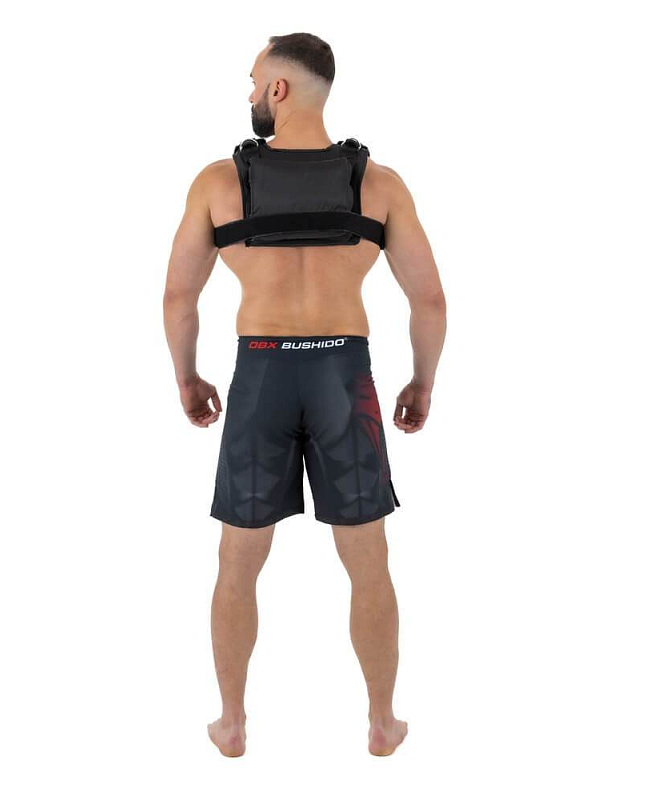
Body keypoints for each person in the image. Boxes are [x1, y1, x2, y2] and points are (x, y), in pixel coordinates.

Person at [163, 32, 446, 757]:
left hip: (260, 372)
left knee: (237, 561)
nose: (250, 93)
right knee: (368, 559)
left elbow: (178, 298)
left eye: (254, 80)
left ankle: (232, 722)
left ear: (279, 90)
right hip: (343, 377)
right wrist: (421, 381)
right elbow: (430, 301)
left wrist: (188, 377)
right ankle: (382, 722)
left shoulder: (218, 183)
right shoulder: (378, 184)